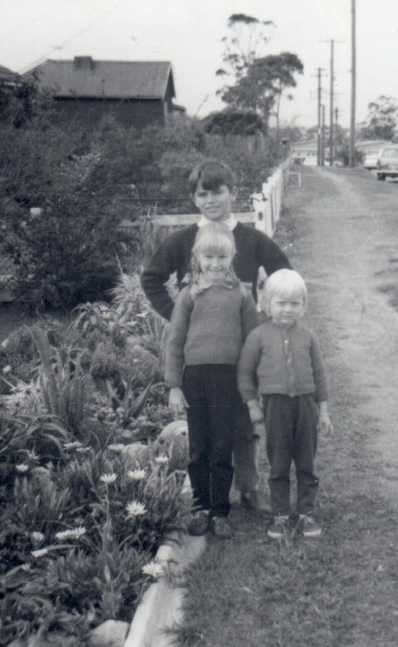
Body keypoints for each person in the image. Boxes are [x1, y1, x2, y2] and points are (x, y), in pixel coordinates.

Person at [142, 159, 291, 513]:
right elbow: (151, 279)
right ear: (194, 199)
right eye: (202, 194)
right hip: (200, 358)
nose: (211, 200)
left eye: (218, 192)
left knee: (243, 420)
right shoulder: (183, 241)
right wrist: (177, 315)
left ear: (233, 193)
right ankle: (205, 497)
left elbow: (285, 277)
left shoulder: (252, 239)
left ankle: (249, 486)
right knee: (207, 426)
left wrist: (268, 319)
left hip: (242, 349)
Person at [163, 222, 260, 538]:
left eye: (222, 257)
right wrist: (175, 386)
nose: (215, 264)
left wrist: (250, 383)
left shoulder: (241, 296)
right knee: (199, 448)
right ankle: (199, 508)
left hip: (227, 380)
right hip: (195, 380)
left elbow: (252, 341)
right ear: (197, 257)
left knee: (222, 445)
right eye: (209, 257)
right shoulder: (189, 296)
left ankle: (220, 511)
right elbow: (175, 341)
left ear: (232, 256)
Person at [237, 269, 334, 539]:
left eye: (295, 303)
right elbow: (245, 373)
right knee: (278, 462)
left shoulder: (308, 337)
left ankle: (306, 512)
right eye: (281, 303)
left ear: (304, 305)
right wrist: (253, 405)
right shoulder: (258, 336)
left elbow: (320, 375)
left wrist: (323, 412)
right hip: (275, 407)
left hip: (306, 407)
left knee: (306, 462)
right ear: (267, 304)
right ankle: (279, 514)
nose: (288, 310)